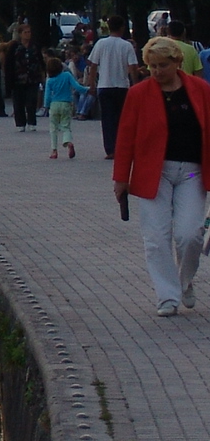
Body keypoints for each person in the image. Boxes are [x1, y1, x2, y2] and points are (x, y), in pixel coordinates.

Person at [112, 37, 210, 316]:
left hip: (192, 171)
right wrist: (121, 178)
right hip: (154, 173)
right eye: (152, 66)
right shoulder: (138, 94)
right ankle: (167, 296)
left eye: (162, 65)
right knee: (156, 237)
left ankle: (185, 281)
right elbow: (125, 137)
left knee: (190, 235)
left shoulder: (201, 90)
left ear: (178, 63)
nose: (156, 71)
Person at [90, 17, 140, 159]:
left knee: (107, 119)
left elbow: (93, 65)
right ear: (122, 27)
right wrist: (135, 84)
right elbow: (132, 67)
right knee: (121, 119)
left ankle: (110, 149)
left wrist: (92, 83)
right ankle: (121, 147)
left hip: (104, 85)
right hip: (122, 86)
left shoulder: (101, 43)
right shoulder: (126, 46)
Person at [43, 55, 88, 159]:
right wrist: (87, 89)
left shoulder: (50, 80)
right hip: (66, 104)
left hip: (54, 105)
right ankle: (68, 142)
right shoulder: (67, 75)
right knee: (66, 126)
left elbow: (47, 95)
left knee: (53, 128)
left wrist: (46, 106)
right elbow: (77, 87)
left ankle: (54, 151)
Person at [7, 22, 46, 132]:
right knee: (18, 102)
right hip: (18, 78)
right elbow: (9, 63)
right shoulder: (14, 47)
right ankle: (20, 123)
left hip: (32, 78)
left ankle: (32, 121)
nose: (28, 34)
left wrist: (42, 73)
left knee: (32, 100)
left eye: (29, 32)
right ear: (20, 34)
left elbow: (40, 60)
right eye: (25, 32)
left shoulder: (34, 46)